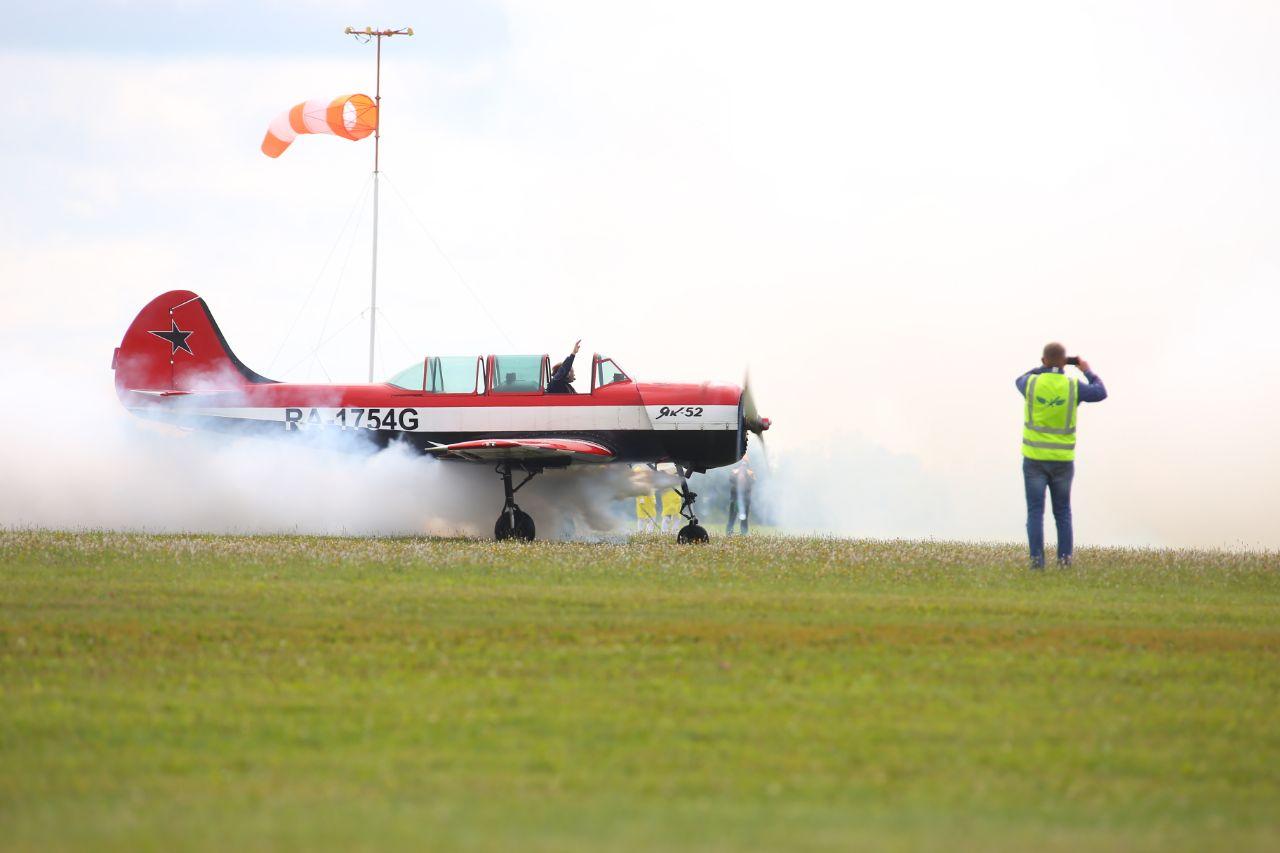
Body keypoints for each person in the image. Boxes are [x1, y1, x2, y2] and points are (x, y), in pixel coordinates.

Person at [1016, 342, 1108, 568]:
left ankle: (1037, 562)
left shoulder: (1031, 383)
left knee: (1035, 512)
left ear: (1043, 360)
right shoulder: (1072, 386)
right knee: (1063, 513)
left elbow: (1020, 378)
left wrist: (1046, 368)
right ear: (1064, 362)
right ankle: (1064, 562)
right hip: (1063, 462)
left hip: (1034, 460)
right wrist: (1085, 369)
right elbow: (1100, 392)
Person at [726, 463, 755, 535]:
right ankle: (729, 533)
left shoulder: (750, 473)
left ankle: (743, 533)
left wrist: (746, 475)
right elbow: (731, 479)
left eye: (744, 465)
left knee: (744, 518)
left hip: (745, 500)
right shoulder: (735, 472)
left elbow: (753, 481)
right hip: (735, 499)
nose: (743, 467)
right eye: (742, 465)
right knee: (732, 518)